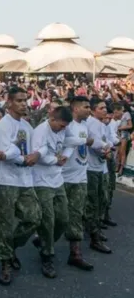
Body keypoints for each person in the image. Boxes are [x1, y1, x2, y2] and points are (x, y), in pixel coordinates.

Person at [0, 87, 42, 286]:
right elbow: (5, 151)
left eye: (25, 100)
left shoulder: (27, 126)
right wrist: (24, 158)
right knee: (5, 223)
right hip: (6, 180)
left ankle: (10, 247)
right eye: (19, 100)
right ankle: (5, 263)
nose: (24, 104)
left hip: (25, 179)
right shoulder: (4, 124)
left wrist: (35, 155)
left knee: (34, 217)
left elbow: (35, 148)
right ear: (9, 102)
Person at [31, 106, 73, 278]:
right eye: (61, 126)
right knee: (48, 220)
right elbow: (37, 156)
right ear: (52, 119)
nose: (63, 129)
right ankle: (47, 255)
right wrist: (55, 160)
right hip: (41, 181)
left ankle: (43, 241)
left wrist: (66, 156)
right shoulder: (41, 131)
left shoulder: (64, 129)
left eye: (65, 127)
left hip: (57, 179)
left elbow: (71, 143)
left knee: (63, 219)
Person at [61, 96, 95, 270]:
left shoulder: (85, 126)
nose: (89, 109)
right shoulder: (66, 125)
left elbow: (88, 145)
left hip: (80, 178)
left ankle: (75, 254)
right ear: (75, 109)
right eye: (86, 107)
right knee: (57, 217)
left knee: (76, 215)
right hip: (62, 178)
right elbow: (65, 142)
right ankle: (45, 248)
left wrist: (104, 149)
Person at [84, 99, 113, 254]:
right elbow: (95, 144)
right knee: (93, 201)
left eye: (105, 107)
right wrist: (105, 150)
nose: (104, 110)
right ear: (94, 110)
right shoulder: (91, 124)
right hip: (91, 167)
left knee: (102, 198)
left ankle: (95, 228)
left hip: (101, 167)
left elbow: (107, 141)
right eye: (101, 108)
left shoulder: (102, 125)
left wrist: (107, 148)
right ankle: (93, 232)